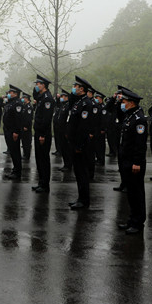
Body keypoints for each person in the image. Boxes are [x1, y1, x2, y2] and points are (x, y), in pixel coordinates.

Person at [116, 88, 149, 234]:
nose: (121, 103)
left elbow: (140, 144)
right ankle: (131, 219)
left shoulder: (139, 119)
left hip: (134, 162)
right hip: (126, 160)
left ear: (131, 103)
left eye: (123, 101)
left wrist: (137, 162)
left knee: (137, 193)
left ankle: (138, 223)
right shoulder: (130, 116)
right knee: (131, 194)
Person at [67, 77, 94, 209]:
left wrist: (79, 145)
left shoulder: (86, 104)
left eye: (75, 86)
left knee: (82, 173)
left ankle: (84, 201)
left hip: (81, 145)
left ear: (81, 89)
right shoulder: (79, 102)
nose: (74, 88)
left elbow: (83, 127)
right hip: (75, 142)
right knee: (78, 172)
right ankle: (80, 198)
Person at [32, 75, 54, 193]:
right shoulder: (41, 97)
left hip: (43, 134)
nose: (36, 86)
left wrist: (43, 135)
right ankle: (41, 182)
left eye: (38, 84)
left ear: (43, 85)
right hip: (38, 132)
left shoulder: (47, 99)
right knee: (39, 159)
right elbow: (35, 95)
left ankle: (45, 185)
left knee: (44, 160)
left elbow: (46, 119)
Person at [3, 85, 25, 180]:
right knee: (12, 152)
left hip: (13, 131)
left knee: (15, 152)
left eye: (10, 92)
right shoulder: (11, 103)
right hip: (8, 130)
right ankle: (15, 170)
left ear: (15, 94)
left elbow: (18, 119)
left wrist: (16, 132)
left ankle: (17, 172)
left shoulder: (17, 104)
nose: (8, 93)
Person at [56, 90, 72, 171]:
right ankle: (65, 164)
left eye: (63, 97)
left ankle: (68, 165)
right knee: (63, 148)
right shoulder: (63, 105)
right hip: (61, 130)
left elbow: (68, 120)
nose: (61, 98)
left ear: (67, 97)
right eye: (61, 96)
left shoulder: (69, 106)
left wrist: (67, 131)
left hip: (65, 131)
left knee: (66, 149)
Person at [93, 91, 108, 167]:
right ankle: (98, 158)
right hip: (96, 129)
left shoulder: (103, 107)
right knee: (96, 145)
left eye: (97, 98)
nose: (95, 99)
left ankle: (101, 160)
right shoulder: (96, 106)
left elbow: (104, 120)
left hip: (100, 129)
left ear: (101, 99)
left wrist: (103, 129)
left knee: (100, 146)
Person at [20, 93, 33, 160]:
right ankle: (25, 154)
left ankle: (27, 155)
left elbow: (28, 118)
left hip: (26, 128)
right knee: (24, 142)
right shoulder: (24, 106)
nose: (22, 99)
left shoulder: (29, 107)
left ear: (27, 99)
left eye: (23, 98)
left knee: (27, 142)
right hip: (23, 127)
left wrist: (26, 126)